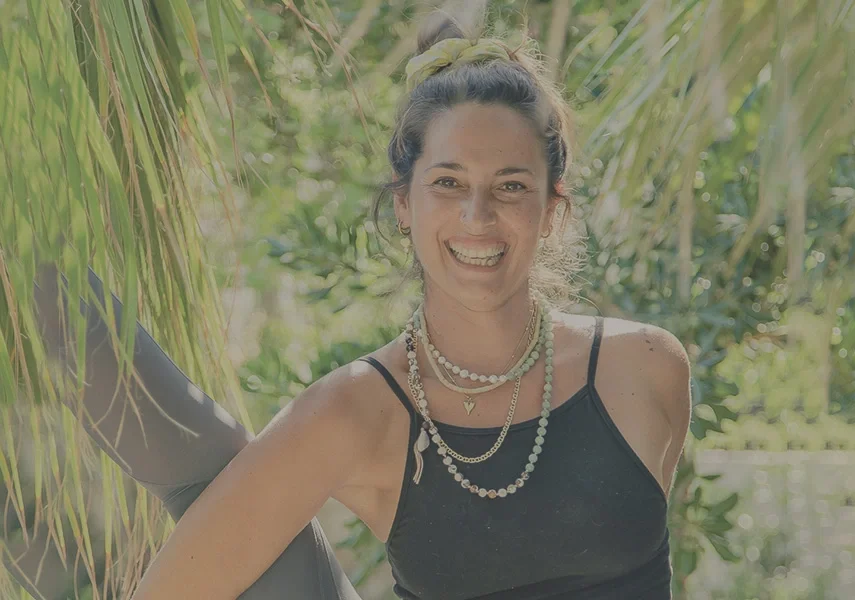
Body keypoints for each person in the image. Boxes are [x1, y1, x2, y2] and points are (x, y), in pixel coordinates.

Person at [11, 9, 691, 600]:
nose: (477, 215)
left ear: (552, 209)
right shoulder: (356, 410)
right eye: (448, 182)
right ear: (403, 204)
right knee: (211, 473)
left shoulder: (643, 367)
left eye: (511, 186)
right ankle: (16, 253)